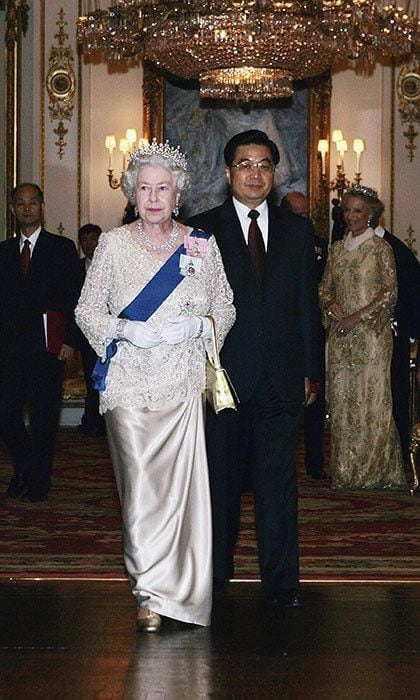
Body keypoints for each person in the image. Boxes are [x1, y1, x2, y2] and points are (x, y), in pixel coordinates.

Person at [75, 139, 235, 632]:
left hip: (182, 382)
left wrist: (200, 326)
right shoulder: (113, 244)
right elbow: (86, 310)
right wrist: (124, 329)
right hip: (128, 385)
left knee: (182, 495)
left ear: (177, 193)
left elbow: (225, 306)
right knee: (142, 490)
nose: (152, 196)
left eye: (162, 187)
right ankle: (147, 591)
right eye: (143, 187)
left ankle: (184, 593)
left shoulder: (200, 246)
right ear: (131, 192)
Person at [186, 130, 320, 608]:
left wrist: (311, 370)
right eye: (245, 164)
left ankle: (282, 584)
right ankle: (214, 580)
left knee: (278, 485)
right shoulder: (200, 232)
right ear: (228, 172)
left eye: (264, 164)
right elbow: (191, 304)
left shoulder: (298, 231)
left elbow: (307, 305)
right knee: (220, 484)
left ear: (274, 172)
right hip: (222, 379)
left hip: (282, 379)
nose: (255, 173)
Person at [319, 184, 406, 490]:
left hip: (371, 337)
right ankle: (347, 471)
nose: (351, 216)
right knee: (343, 402)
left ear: (371, 215)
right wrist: (331, 306)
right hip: (341, 337)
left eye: (357, 211)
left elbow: (390, 293)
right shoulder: (337, 250)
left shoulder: (381, 249)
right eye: (347, 210)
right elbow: (324, 289)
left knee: (372, 401)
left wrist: (358, 316)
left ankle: (375, 472)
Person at [0, 183, 80, 502]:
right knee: (6, 414)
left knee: (45, 418)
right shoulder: (3, 252)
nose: (27, 208)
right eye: (21, 203)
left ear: (42, 207)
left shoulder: (61, 248)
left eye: (33, 202)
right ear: (12, 209)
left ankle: (38, 481)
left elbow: (75, 298)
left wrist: (71, 340)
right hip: (8, 351)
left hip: (48, 347)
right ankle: (25, 466)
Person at [280, 191, 328, 480]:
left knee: (315, 402)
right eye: (298, 214)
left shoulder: (321, 245)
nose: (304, 220)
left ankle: (315, 464)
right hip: (283, 337)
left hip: (313, 331)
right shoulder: (275, 243)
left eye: (306, 214)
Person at [374, 221, 420, 465]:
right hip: (373, 339)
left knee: (396, 398)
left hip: (395, 337)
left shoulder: (396, 250)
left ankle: (403, 456)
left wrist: (409, 335)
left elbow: (411, 294)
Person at [77, 224, 106, 436]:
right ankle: (91, 420)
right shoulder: (76, 268)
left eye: (93, 239)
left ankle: (104, 422)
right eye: (85, 240)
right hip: (85, 335)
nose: (89, 245)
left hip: (108, 333)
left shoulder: (110, 265)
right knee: (91, 377)